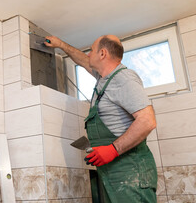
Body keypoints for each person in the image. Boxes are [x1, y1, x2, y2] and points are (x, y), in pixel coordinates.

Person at [44, 35, 157, 203]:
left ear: (102, 54)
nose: (88, 54)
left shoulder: (124, 78)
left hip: (129, 172)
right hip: (111, 173)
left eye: (91, 50)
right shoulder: (104, 79)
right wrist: (60, 45)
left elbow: (147, 120)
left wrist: (112, 149)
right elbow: (83, 60)